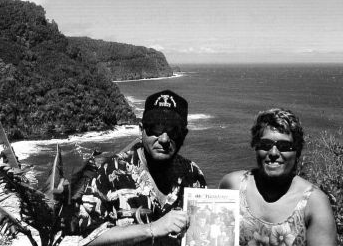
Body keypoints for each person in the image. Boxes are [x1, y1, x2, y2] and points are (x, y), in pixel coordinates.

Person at [77, 90, 207, 245]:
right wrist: (151, 229)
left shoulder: (193, 174)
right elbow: (87, 239)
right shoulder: (112, 172)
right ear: (141, 129)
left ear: (184, 135)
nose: (164, 139)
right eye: (156, 128)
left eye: (173, 130)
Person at [219, 108, 337, 246]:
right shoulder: (233, 185)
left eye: (284, 146)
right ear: (255, 147)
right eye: (265, 144)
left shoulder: (314, 203)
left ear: (297, 152)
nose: (273, 152)